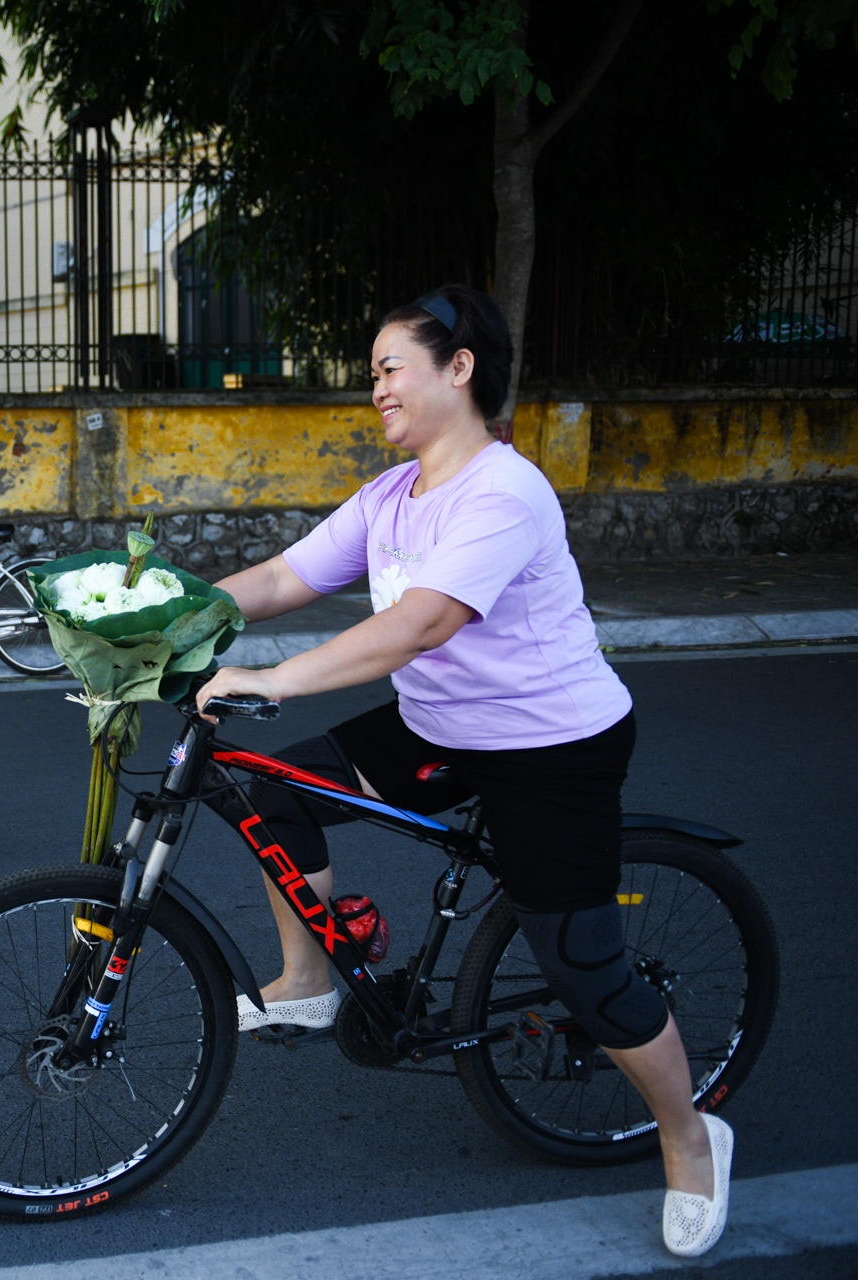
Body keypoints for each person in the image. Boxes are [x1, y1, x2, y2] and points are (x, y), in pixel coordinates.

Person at [194, 285, 733, 1259]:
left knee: (584, 966)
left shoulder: (504, 491)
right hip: (441, 726)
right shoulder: (391, 497)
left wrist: (273, 679)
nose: (376, 388)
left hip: (552, 746)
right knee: (271, 789)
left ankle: (690, 1136)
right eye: (372, 373)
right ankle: (309, 979)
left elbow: (423, 622)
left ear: (460, 368)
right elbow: (280, 578)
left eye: (390, 367)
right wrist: (163, 611)